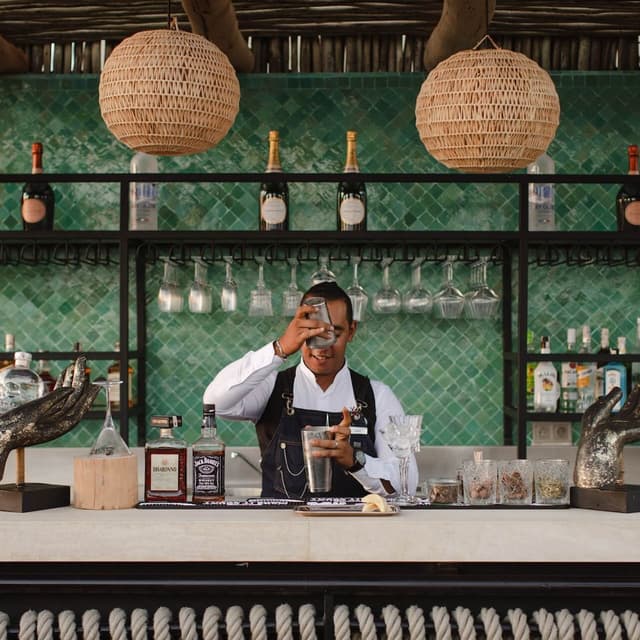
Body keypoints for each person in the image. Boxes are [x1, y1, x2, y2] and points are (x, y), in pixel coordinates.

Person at [204, 281, 418, 499]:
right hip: (279, 529)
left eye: (333, 333)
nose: (322, 346)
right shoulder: (270, 388)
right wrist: (280, 348)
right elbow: (214, 403)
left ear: (352, 331)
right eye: (311, 333)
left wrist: (357, 462)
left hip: (355, 529)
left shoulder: (377, 396)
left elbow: (405, 483)